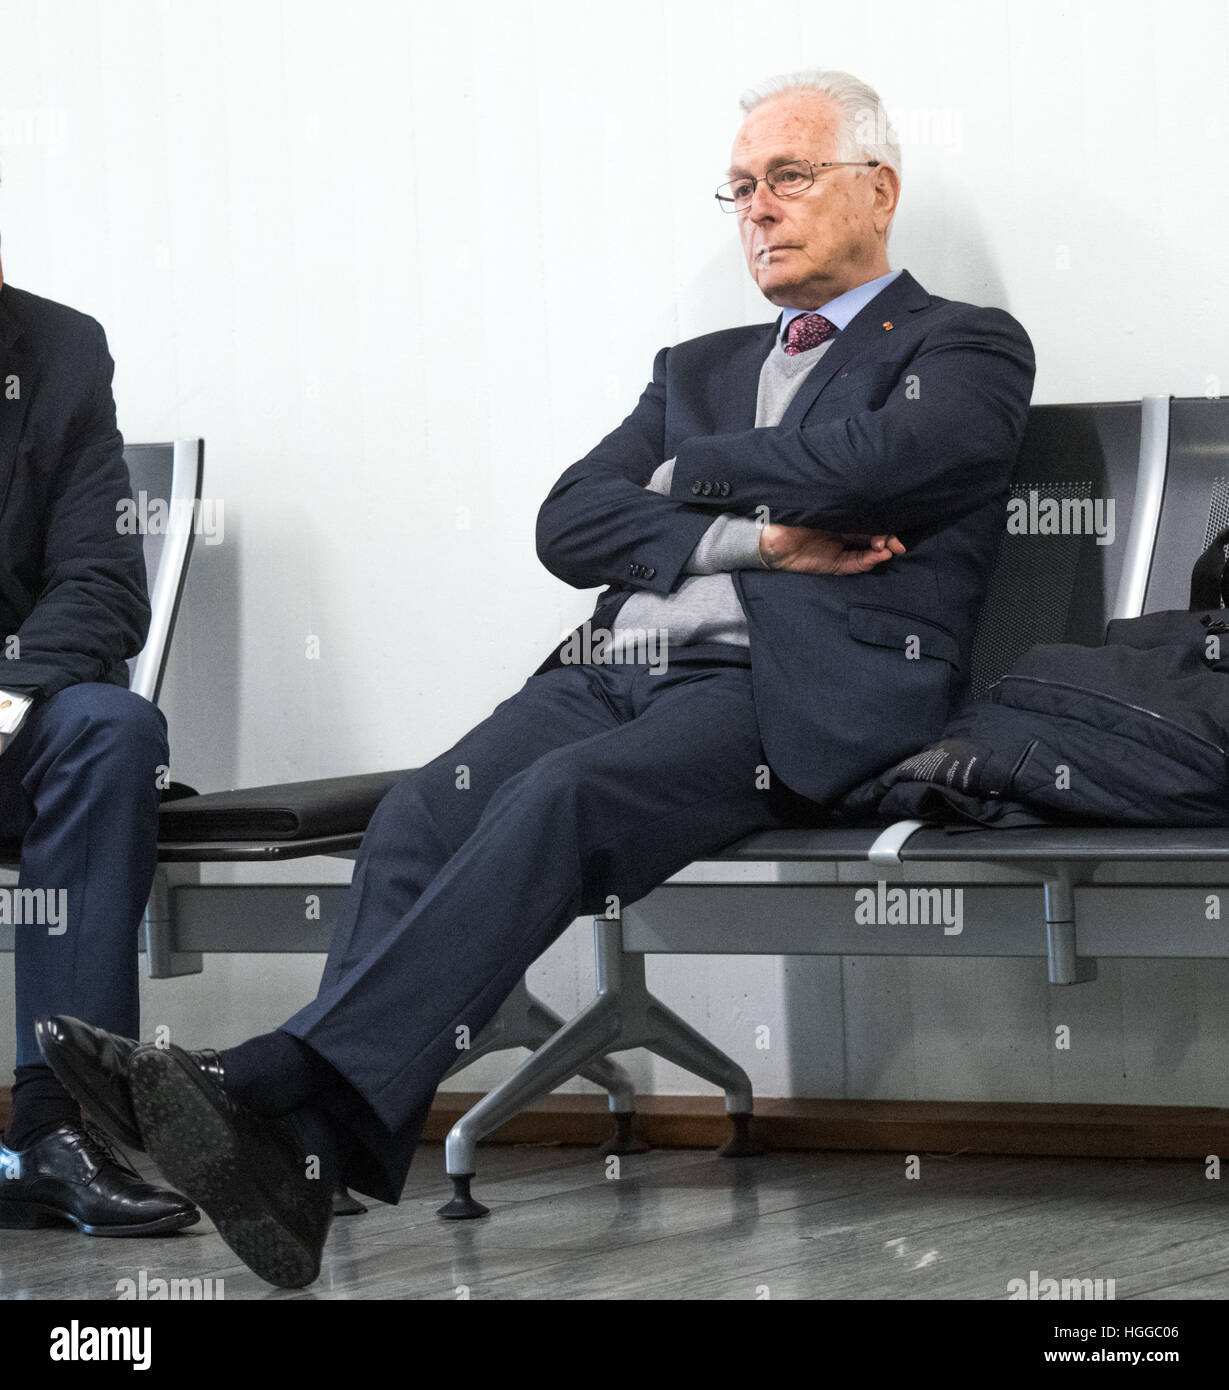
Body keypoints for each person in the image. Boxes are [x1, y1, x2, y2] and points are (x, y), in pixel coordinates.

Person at [39, 68, 1035, 1286]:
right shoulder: (696, 362)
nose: (755, 210)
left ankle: (269, 1087)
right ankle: (298, 1158)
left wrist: (678, 479)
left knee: (557, 800)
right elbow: (567, 524)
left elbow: (886, 461)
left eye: (786, 178)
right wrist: (760, 535)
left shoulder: (963, 346)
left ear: (876, 190)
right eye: (738, 188)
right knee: (416, 816)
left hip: (778, 696)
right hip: (612, 668)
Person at [0, 243, 198, 1235]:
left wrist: (2, 703)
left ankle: (55, 1122)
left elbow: (101, 582)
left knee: (112, 729)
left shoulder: (62, 351)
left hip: (13, 717)